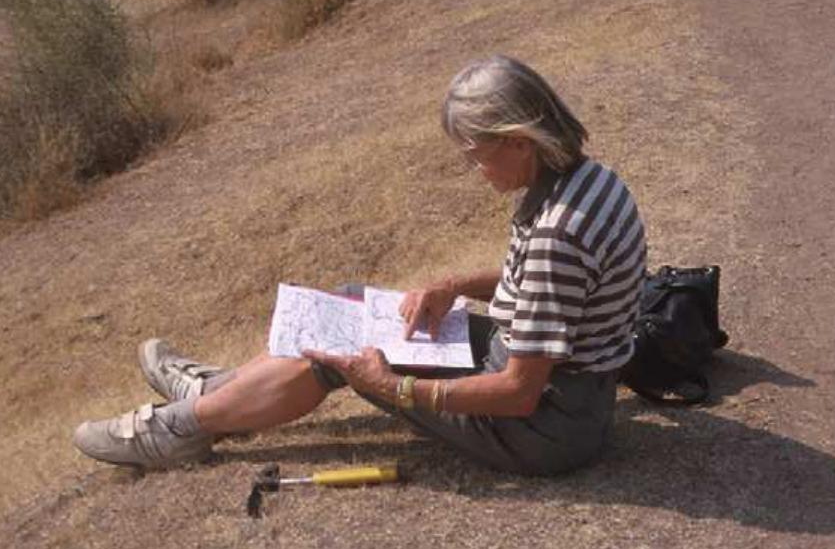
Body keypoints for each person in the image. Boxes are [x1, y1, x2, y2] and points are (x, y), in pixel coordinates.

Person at [73, 55, 648, 476]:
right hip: (555, 382)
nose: (475, 170)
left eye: (475, 154)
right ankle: (219, 393)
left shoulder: (558, 231)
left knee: (341, 357)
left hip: (545, 426)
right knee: (349, 303)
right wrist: (453, 286)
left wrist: (396, 389)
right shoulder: (586, 180)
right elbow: (556, 291)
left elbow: (519, 393)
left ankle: (181, 428)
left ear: (520, 140)